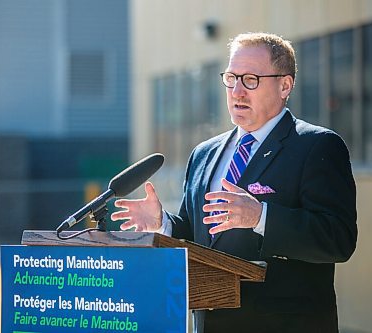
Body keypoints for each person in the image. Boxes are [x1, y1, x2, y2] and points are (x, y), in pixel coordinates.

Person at [111, 32, 357, 333]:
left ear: (285, 85)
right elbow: (200, 235)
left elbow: (338, 240)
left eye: (251, 79)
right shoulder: (204, 153)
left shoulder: (317, 146)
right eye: (231, 77)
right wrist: (165, 225)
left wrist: (261, 217)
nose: (237, 91)